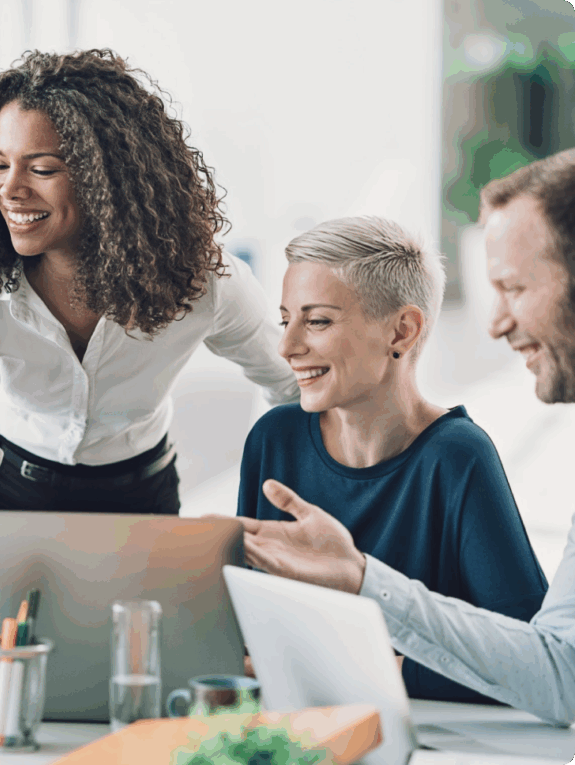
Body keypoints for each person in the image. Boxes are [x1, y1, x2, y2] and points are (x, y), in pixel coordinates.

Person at [239, 148, 575, 726]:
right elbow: (558, 671)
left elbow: (539, 664)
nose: (288, 346)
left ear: (402, 330)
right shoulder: (275, 439)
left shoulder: (457, 454)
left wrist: (357, 617)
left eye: (317, 320)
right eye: (286, 319)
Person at [0, 49, 299, 513]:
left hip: (141, 496)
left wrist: (273, 486)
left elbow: (292, 388)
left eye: (42, 169)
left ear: (106, 181)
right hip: (10, 488)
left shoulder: (203, 282)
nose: (10, 189)